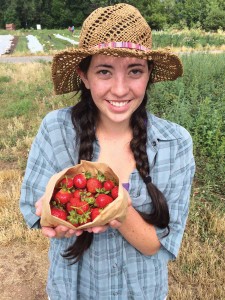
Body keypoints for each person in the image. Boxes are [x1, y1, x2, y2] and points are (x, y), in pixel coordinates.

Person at [20, 3, 195, 300]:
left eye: (134, 71)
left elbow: (156, 244)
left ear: (149, 75)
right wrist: (55, 217)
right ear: (84, 76)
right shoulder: (56, 130)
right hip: (73, 291)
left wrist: (115, 205)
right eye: (104, 71)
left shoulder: (175, 143)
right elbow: (35, 212)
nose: (119, 88)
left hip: (141, 291)